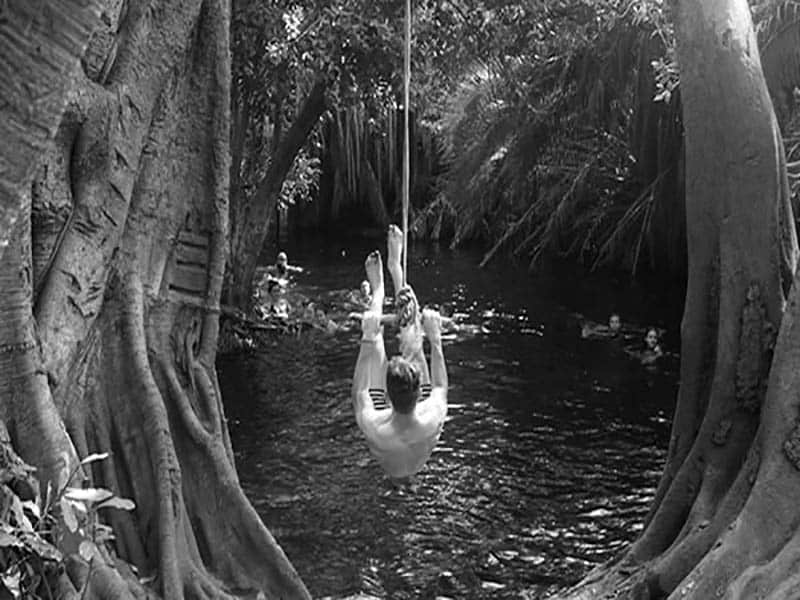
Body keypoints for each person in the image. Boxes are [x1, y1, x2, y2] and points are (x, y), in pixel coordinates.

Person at [351, 233, 448, 481]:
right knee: (409, 346)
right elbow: (440, 386)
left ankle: (379, 292)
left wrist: (367, 337)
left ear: (388, 391)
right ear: (417, 393)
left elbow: (359, 393)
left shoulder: (375, 424)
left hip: (388, 435)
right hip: (416, 429)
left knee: (376, 346)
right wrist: (435, 337)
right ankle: (395, 270)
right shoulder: (432, 413)